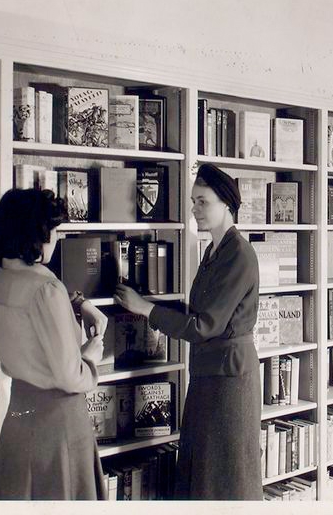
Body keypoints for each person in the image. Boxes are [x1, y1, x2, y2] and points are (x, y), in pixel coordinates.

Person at [114, 163, 262, 500]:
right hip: (209, 374)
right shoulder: (213, 251)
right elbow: (199, 314)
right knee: (204, 469)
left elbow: (205, 325)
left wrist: (146, 309)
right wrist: (147, 302)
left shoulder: (238, 255)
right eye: (193, 201)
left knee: (226, 475)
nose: (194, 210)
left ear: (227, 204)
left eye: (202, 202)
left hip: (229, 380)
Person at [0, 188, 107, 500]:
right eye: (54, 231)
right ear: (37, 234)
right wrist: (91, 358)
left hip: (19, 419)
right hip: (59, 425)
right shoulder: (46, 287)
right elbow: (70, 377)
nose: (57, 238)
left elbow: (32, 306)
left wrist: (78, 303)